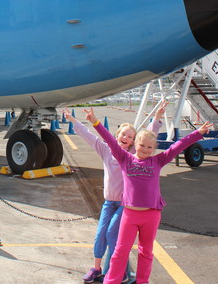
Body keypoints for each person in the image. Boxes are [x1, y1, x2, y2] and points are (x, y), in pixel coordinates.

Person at [88, 113, 212, 284]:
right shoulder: (125, 159)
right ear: (135, 145)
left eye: (149, 147)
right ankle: (112, 280)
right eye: (142, 145)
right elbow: (109, 140)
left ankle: (142, 281)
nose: (145, 149)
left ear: (153, 149)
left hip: (151, 215)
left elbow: (178, 146)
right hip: (129, 214)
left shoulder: (158, 161)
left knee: (146, 252)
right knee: (120, 251)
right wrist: (95, 122)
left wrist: (198, 133)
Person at [64, 103, 167, 283]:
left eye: (130, 136)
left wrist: (157, 119)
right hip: (108, 202)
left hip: (124, 204)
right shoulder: (106, 150)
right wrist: (73, 120)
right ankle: (96, 268)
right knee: (100, 234)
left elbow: (150, 134)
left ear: (133, 141)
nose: (126, 137)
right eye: (123, 134)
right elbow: (89, 136)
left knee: (113, 233)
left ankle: (123, 271)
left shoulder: (132, 155)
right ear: (116, 135)